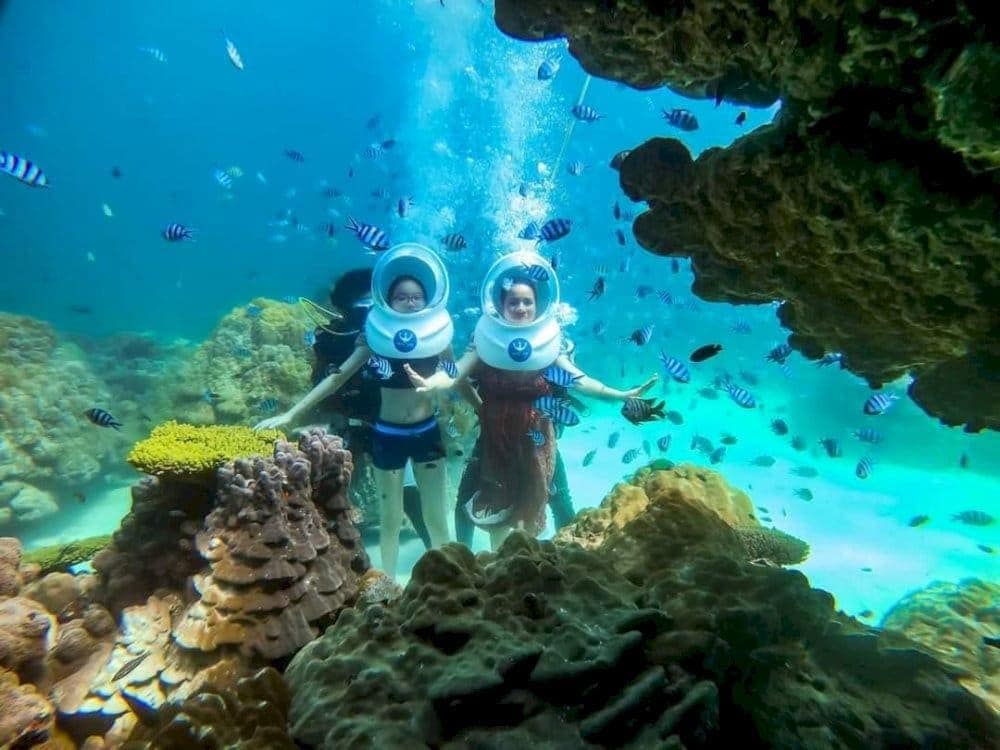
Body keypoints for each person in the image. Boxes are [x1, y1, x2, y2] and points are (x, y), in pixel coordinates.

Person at [406, 251, 656, 550]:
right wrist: (431, 382)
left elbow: (579, 380)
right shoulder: (486, 338)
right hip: (493, 437)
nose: (520, 307)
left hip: (539, 437)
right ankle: (465, 564)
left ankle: (573, 560)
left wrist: (619, 394)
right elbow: (456, 371)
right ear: (501, 305)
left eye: (527, 302)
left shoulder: (549, 341)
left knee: (558, 497)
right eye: (513, 302)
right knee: (470, 497)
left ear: (538, 305)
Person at [257, 244, 457, 579]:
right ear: (388, 301)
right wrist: (292, 414)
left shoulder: (439, 335)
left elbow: (455, 373)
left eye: (416, 296)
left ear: (428, 299)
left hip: (427, 432)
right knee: (391, 519)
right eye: (402, 297)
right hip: (387, 434)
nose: (410, 302)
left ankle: (455, 582)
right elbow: (338, 377)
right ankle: (387, 589)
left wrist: (473, 404)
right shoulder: (375, 337)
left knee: (437, 518)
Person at [291, 267, 434, 549]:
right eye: (363, 306)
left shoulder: (396, 335)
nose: (370, 313)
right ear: (346, 308)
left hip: (385, 423)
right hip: (349, 423)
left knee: (407, 489)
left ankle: (435, 549)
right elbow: (329, 381)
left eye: (375, 304)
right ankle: (322, 548)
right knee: (330, 482)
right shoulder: (332, 337)